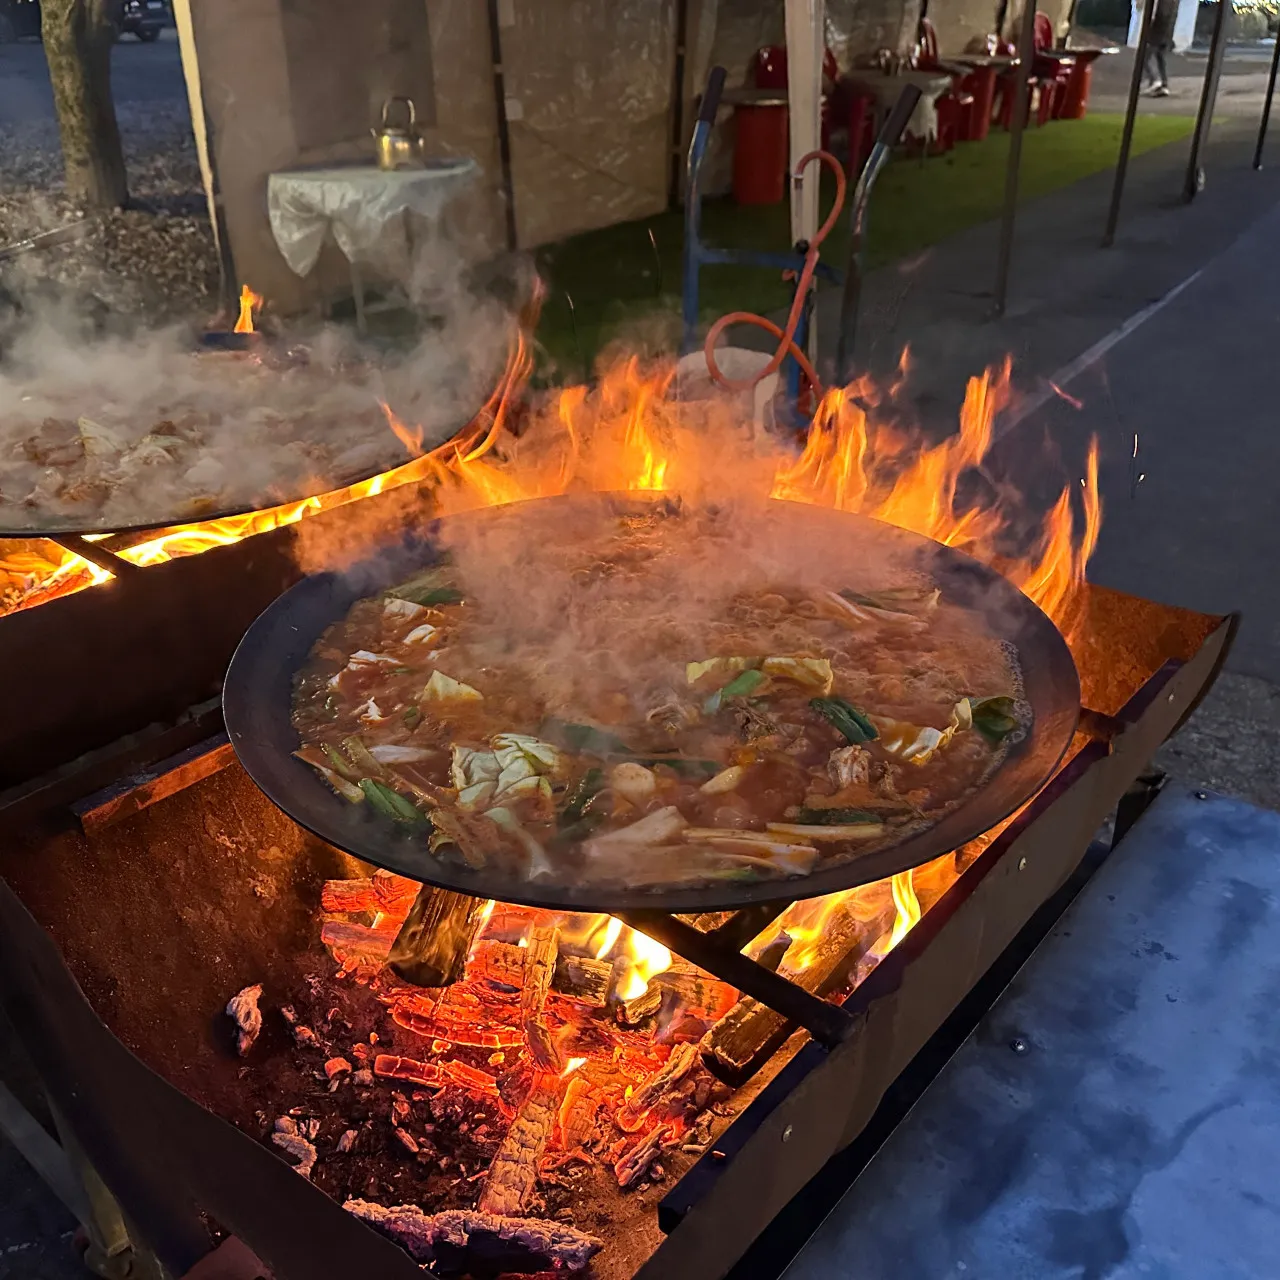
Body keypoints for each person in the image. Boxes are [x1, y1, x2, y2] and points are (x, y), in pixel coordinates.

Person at [1142, 0, 1177, 96]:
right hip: (1166, 33)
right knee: (1160, 58)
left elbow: (1161, 16)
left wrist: (1150, 31)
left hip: (1158, 33)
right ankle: (1164, 85)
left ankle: (1154, 81)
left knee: (1144, 58)